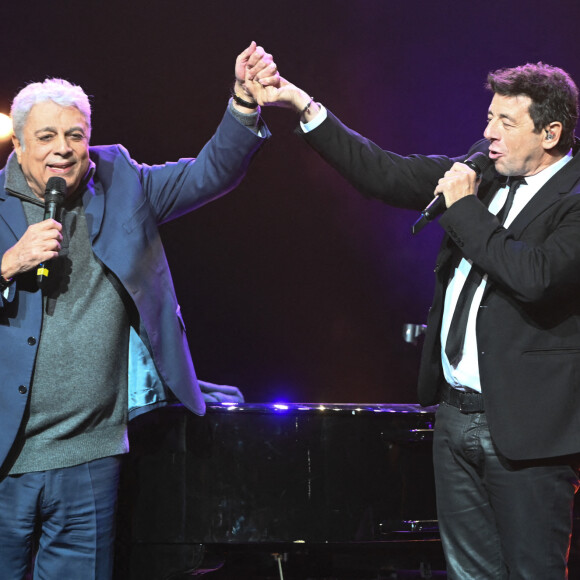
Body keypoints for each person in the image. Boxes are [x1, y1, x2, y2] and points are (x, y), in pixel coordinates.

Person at [245, 63, 580, 578]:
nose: (488, 132)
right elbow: (382, 172)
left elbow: (532, 276)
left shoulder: (572, 200)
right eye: (489, 117)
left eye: (507, 122)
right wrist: (302, 106)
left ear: (551, 133)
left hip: (527, 434)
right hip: (454, 419)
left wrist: (463, 206)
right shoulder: (483, 173)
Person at [0, 42, 279, 579]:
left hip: (90, 456)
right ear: (18, 142)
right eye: (47, 136)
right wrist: (7, 263)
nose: (64, 149)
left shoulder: (121, 181)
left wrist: (243, 104)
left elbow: (209, 173)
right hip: (7, 457)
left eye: (75, 135)